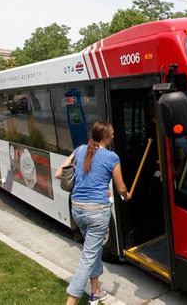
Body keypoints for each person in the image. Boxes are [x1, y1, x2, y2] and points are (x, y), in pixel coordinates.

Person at [55, 121, 130, 305]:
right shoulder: (112, 157)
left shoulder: (80, 149)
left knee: (93, 250)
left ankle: (95, 293)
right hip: (97, 212)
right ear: (105, 137)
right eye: (111, 134)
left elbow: (59, 173)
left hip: (77, 209)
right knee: (88, 258)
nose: (113, 136)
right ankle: (71, 302)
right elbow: (120, 187)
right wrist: (126, 196)